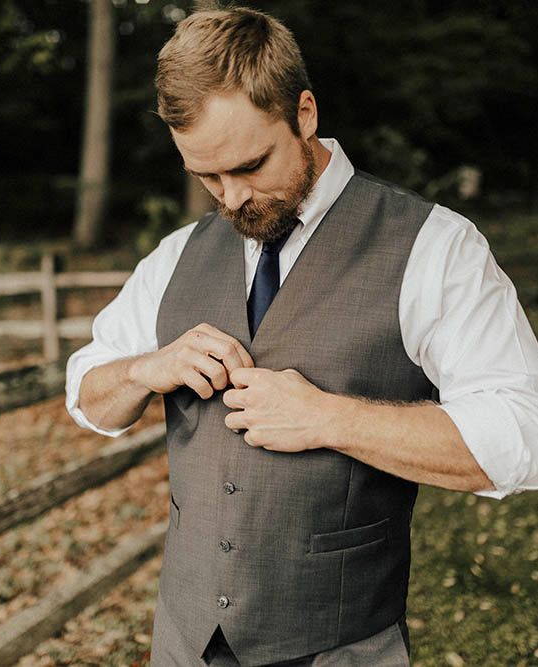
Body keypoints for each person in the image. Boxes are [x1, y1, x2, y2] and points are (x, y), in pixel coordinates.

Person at [65, 6, 538, 666]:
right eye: (205, 175)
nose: (228, 198)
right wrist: (146, 368)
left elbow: (523, 434)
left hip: (343, 647)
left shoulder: (436, 247)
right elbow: (87, 395)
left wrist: (328, 416)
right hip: (182, 642)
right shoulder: (175, 255)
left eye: (250, 164)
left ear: (304, 114)